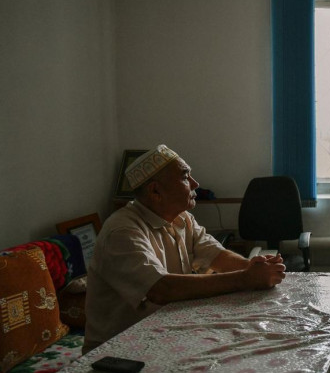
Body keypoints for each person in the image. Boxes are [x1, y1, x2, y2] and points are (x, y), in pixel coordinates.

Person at [83, 145, 286, 353]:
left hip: (162, 334)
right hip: (115, 350)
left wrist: (254, 266)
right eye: (185, 177)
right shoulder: (122, 231)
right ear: (155, 191)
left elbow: (215, 254)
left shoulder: (182, 218)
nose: (195, 183)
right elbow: (161, 289)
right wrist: (245, 278)